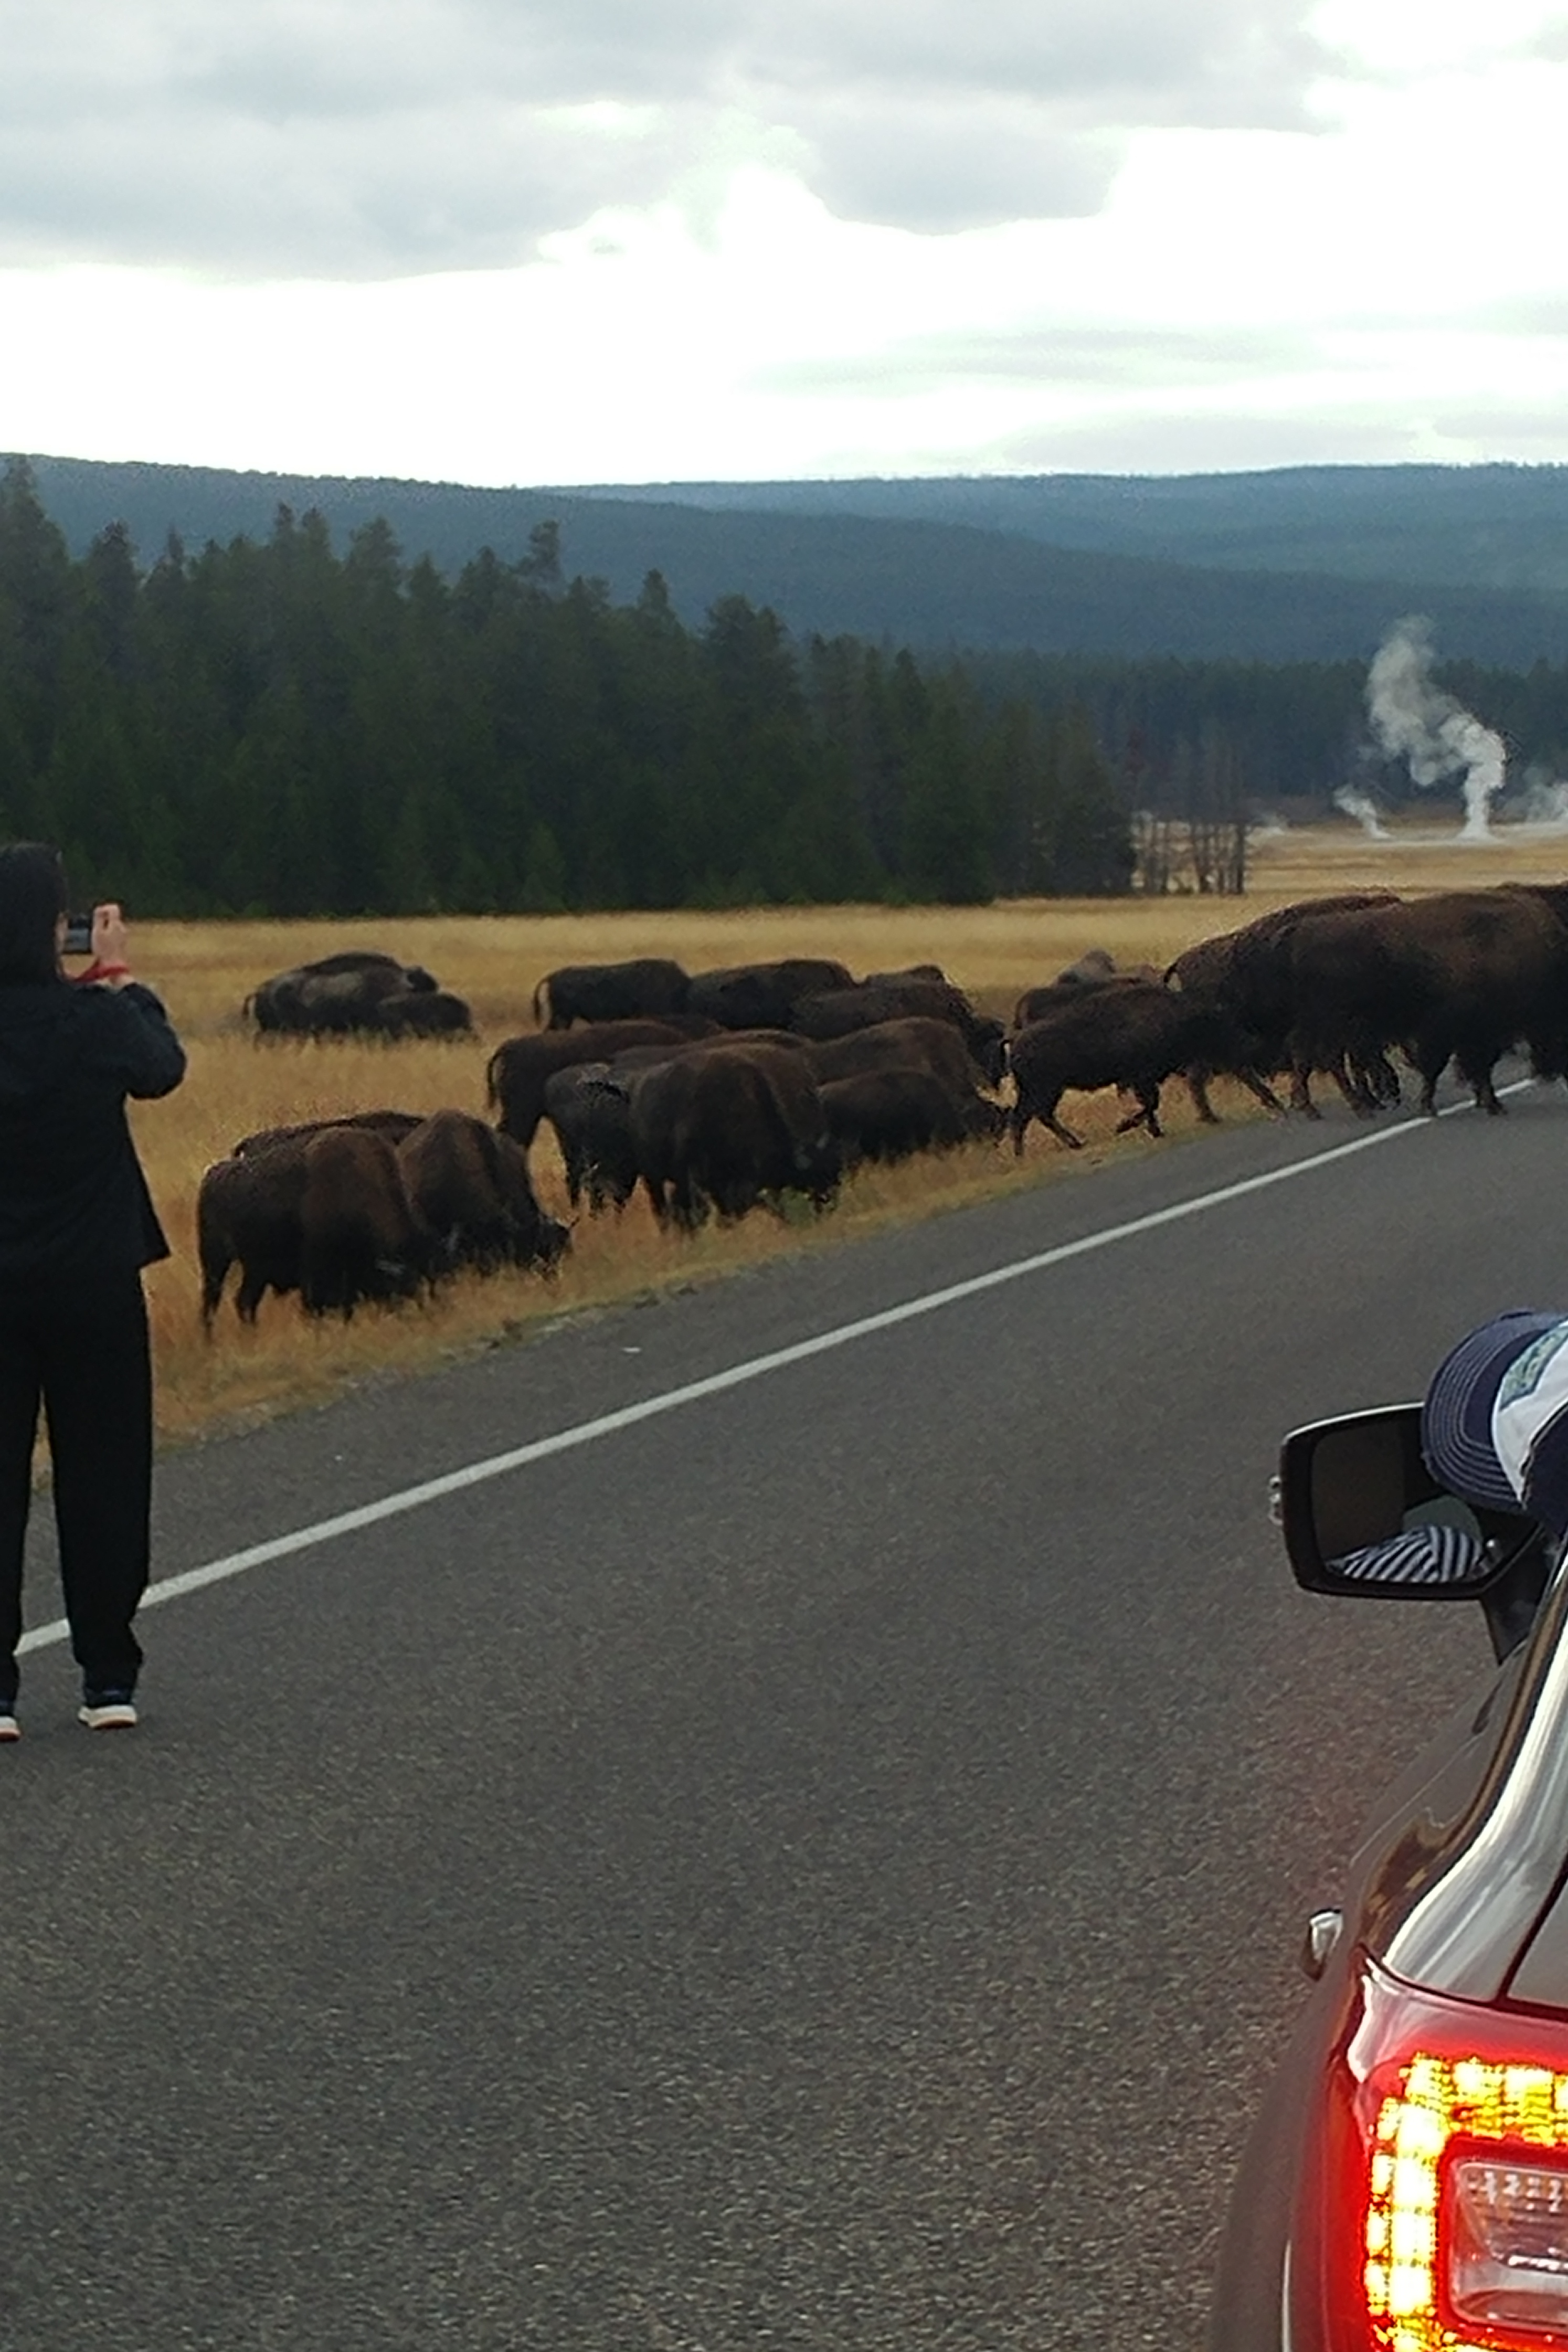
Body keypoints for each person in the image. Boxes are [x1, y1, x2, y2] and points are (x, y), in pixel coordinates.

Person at [0, 845, 186, 1739]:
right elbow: (162, 1067)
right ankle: (108, 1675)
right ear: (55, 929)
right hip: (94, 1283)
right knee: (105, 1473)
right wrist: (117, 976)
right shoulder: (96, 1019)